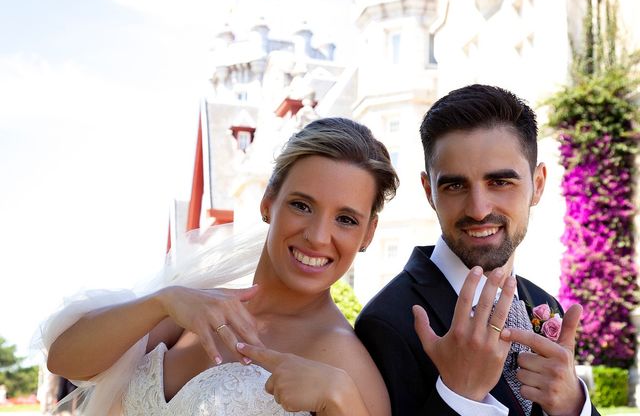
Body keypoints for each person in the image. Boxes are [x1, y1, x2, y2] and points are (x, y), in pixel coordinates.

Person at [44, 117, 398, 416]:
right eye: (302, 205)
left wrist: (340, 398)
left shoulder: (346, 366)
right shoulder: (196, 306)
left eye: (346, 219)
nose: (319, 237)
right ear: (268, 203)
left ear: (368, 233)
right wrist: (162, 302)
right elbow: (64, 361)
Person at [355, 85, 600, 416]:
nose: (479, 209)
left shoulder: (544, 303)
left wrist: (574, 406)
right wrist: (460, 397)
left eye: (500, 182)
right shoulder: (385, 323)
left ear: (538, 185)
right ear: (429, 192)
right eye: (455, 185)